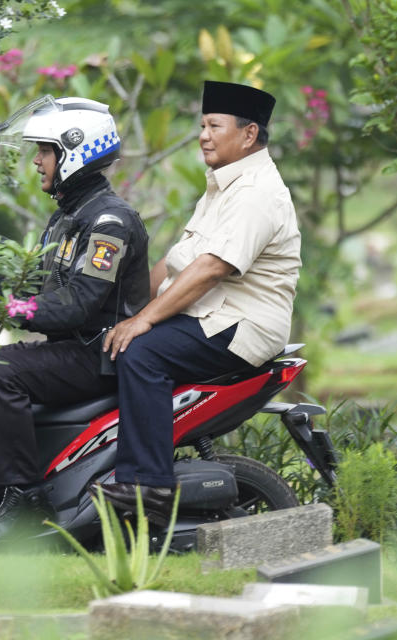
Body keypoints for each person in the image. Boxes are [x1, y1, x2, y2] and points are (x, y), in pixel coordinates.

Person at [99, 80, 301, 524]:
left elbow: (211, 268)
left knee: (141, 352)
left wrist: (140, 324)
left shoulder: (256, 193)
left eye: (214, 126)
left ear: (249, 134)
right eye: (202, 125)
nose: (203, 135)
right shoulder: (224, 186)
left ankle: (146, 483)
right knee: (118, 339)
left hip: (239, 326)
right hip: (210, 316)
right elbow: (178, 266)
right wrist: (122, 312)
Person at [0, 96, 150, 541]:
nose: (37, 161)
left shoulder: (109, 222)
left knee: (0, 370)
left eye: (44, 151)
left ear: (74, 151)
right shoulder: (67, 218)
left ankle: (25, 496)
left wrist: (5, 308)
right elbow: (35, 287)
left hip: (98, 355)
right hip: (69, 350)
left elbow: (77, 304)